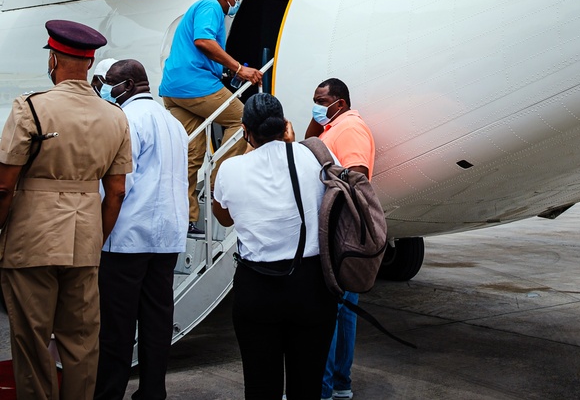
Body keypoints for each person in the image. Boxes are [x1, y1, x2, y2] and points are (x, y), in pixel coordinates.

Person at [0, 20, 132, 400]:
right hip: (85, 239)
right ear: (90, 64)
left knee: (32, 340)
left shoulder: (31, 108)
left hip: (32, 239)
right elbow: (117, 192)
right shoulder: (115, 116)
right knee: (81, 341)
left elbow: (4, 184)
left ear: (54, 59)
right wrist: (97, 237)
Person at [213, 93, 339, 400]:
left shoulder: (231, 169)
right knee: (307, 385)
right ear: (285, 125)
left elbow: (224, 218)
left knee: (260, 386)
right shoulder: (316, 157)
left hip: (258, 287)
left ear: (246, 130)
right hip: (311, 284)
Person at [94, 59, 189, 400]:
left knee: (116, 327)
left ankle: (108, 393)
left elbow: (118, 186)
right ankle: (152, 392)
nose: (106, 89)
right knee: (157, 322)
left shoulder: (127, 120)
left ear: (130, 85)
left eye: (111, 83)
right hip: (166, 238)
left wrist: (98, 233)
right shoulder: (173, 123)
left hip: (127, 239)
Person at [159, 0, 263, 238]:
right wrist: (239, 69)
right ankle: (220, 184)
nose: (236, 3)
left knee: (191, 153)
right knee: (242, 120)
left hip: (174, 88)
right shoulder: (211, 6)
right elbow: (203, 41)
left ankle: (185, 218)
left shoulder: (197, 8)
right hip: (195, 84)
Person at [306, 78, 376, 400]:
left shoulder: (349, 128)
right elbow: (309, 145)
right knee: (342, 309)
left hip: (339, 232)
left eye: (321, 101)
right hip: (337, 230)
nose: (317, 106)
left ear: (340, 103)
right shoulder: (332, 126)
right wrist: (317, 117)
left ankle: (325, 388)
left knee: (329, 312)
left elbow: (355, 177)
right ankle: (338, 384)